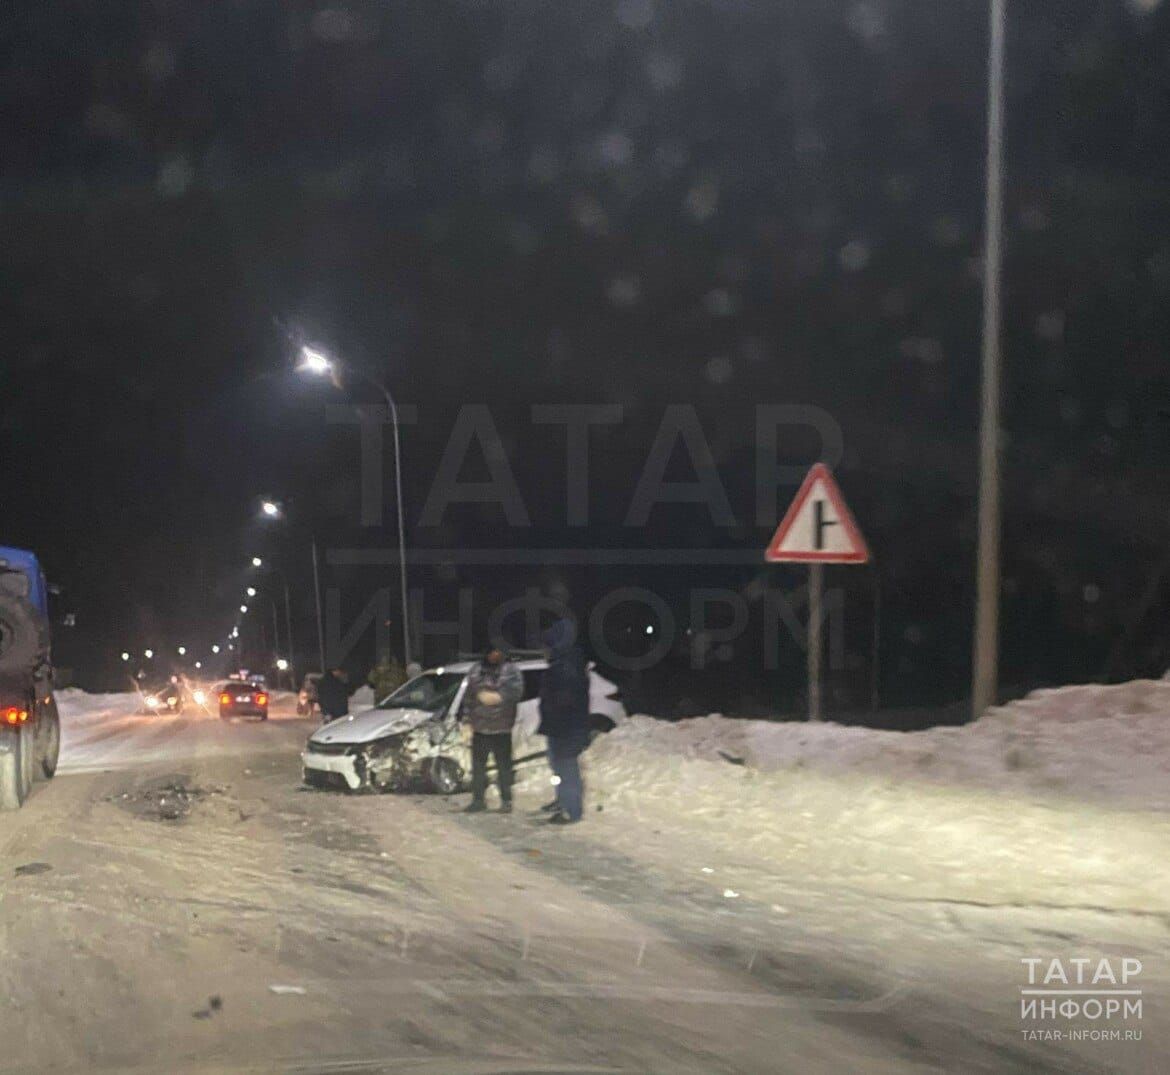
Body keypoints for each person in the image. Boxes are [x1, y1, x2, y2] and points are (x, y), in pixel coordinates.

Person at [538, 617, 590, 824]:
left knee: (567, 769)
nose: (544, 651)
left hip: (567, 730)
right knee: (559, 768)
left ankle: (572, 810)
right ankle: (562, 800)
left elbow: (565, 702)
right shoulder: (562, 664)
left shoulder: (566, 667)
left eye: (547, 646)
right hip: (559, 728)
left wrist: (552, 710)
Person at [460, 649, 522, 813]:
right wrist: (466, 721)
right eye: (491, 651)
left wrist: (499, 697)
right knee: (478, 768)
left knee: (504, 767)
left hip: (501, 729)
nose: (494, 654)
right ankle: (478, 800)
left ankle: (506, 800)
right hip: (480, 729)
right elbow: (468, 698)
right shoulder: (476, 670)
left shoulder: (511, 671)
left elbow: (517, 692)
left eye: (497, 651)